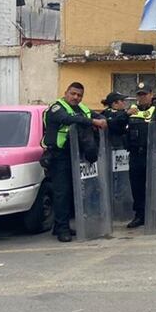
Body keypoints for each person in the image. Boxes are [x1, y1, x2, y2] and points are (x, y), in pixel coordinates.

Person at [41, 82, 108, 242]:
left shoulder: (82, 109)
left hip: (76, 155)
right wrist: (92, 122)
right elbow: (66, 119)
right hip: (59, 156)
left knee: (72, 192)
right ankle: (62, 229)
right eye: (73, 94)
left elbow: (97, 115)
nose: (76, 97)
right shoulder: (56, 108)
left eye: (79, 95)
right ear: (66, 93)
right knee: (61, 193)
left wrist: (102, 119)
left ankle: (60, 226)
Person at [124, 82, 156, 229]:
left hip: (152, 153)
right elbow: (117, 125)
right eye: (139, 95)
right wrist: (125, 115)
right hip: (135, 154)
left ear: (151, 95)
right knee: (136, 186)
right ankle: (140, 215)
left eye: (144, 94)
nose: (142, 97)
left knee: (155, 186)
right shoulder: (132, 111)